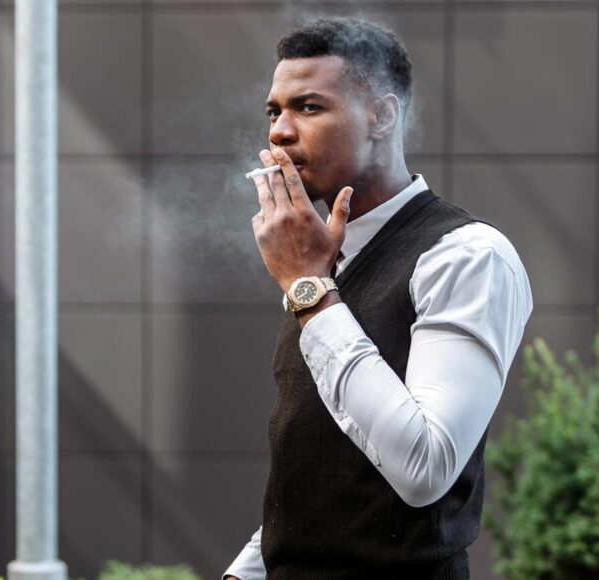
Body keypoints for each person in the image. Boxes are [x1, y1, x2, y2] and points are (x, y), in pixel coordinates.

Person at [223, 17, 534, 580]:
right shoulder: (321, 270)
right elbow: (321, 481)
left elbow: (423, 467)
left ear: (382, 116)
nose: (279, 133)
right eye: (274, 111)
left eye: (309, 107)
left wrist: (310, 293)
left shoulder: (466, 255)